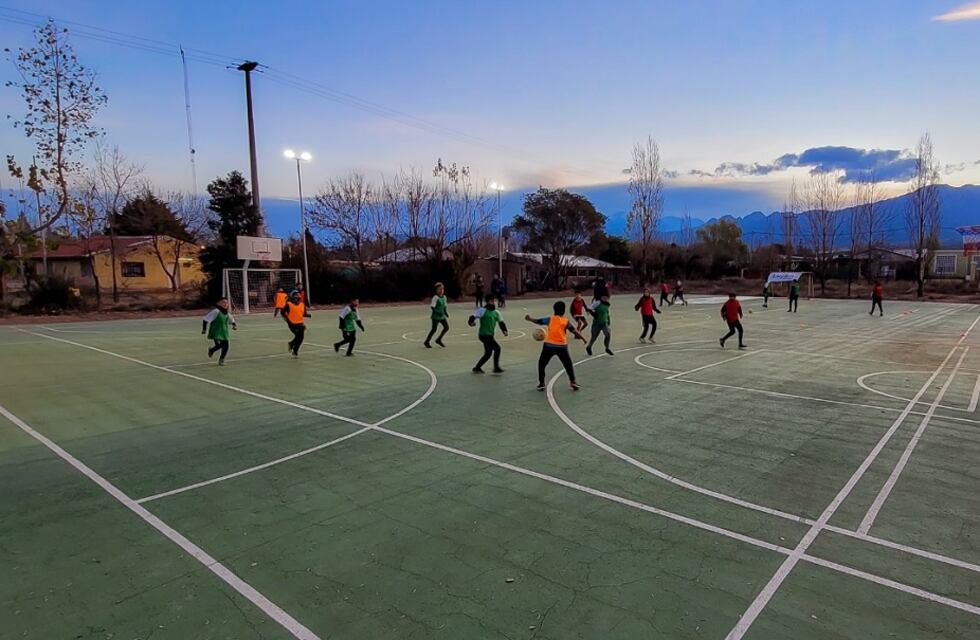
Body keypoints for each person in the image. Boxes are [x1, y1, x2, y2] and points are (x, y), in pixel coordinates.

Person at [525, 301, 587, 391]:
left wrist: (530, 318)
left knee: (542, 364)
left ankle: (541, 383)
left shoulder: (550, 319)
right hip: (562, 346)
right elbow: (574, 331)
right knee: (568, 364)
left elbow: (538, 321)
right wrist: (583, 338)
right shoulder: (565, 321)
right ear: (564, 311)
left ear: (554, 310)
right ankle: (573, 381)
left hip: (549, 346)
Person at [468, 295, 508, 373]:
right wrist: (471, 323)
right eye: (491, 301)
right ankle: (496, 367)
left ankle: (477, 368)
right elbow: (472, 317)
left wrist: (504, 330)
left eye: (493, 301)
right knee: (497, 348)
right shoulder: (482, 310)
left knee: (488, 353)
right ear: (487, 301)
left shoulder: (496, 312)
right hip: (484, 335)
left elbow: (501, 322)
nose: (493, 302)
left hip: (490, 335)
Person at [201, 297, 237, 365]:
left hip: (224, 331)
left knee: (226, 345)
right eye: (223, 302)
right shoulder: (216, 311)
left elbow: (231, 319)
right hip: (216, 332)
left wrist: (234, 325)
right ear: (218, 303)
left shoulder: (226, 313)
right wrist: (204, 329)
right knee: (222, 344)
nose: (225, 304)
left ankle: (220, 358)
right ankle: (213, 352)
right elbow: (205, 320)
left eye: (226, 302)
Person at [282, 289, 311, 357]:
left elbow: (303, 314)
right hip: (292, 324)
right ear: (292, 296)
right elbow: (282, 312)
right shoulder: (288, 304)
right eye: (296, 295)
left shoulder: (302, 304)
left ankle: (294, 349)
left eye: (298, 295)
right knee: (298, 336)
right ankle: (292, 346)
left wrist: (308, 315)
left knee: (300, 338)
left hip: (300, 324)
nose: (297, 296)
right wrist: (287, 319)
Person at [424, 282, 450, 348]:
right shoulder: (435, 298)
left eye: (442, 289)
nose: (441, 291)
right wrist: (438, 312)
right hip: (436, 317)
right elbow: (432, 307)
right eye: (439, 289)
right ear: (436, 290)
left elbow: (444, 306)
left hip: (442, 316)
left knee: (446, 327)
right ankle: (427, 341)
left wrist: (445, 312)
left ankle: (439, 339)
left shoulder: (444, 297)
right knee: (434, 329)